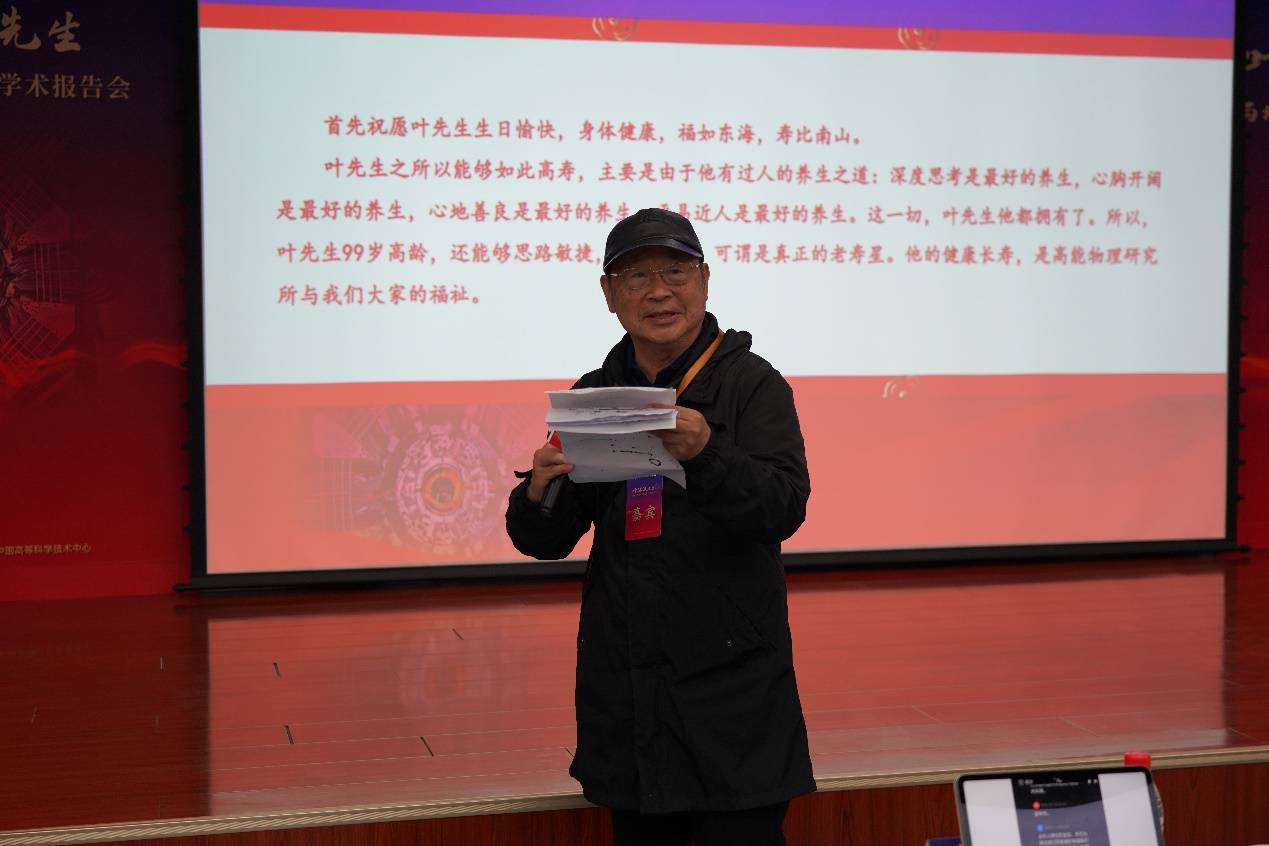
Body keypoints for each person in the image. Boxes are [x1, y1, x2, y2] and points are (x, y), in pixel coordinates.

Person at [505, 208, 814, 846]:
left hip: (733, 694)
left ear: (704, 280)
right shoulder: (596, 395)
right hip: (628, 692)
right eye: (636, 276)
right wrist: (539, 491)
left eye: (675, 271)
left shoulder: (752, 385)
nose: (658, 292)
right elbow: (546, 541)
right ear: (609, 294)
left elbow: (782, 508)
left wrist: (708, 454)